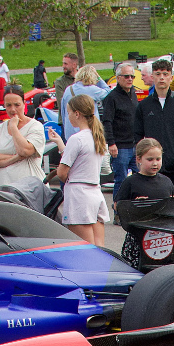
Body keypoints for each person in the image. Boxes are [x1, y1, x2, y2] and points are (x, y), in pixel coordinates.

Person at [52, 92, 108, 246]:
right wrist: (59, 143)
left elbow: (62, 173)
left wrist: (63, 173)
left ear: (77, 114)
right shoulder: (97, 137)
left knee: (85, 247)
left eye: (69, 112)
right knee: (99, 246)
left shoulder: (76, 138)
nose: (68, 116)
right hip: (95, 192)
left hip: (79, 195)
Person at [135, 59, 174, 196]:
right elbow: (137, 134)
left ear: (171, 77)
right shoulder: (144, 105)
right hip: (154, 165)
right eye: (158, 74)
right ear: (152, 76)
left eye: (165, 74)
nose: (162, 78)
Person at [100, 62, 144, 185]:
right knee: (121, 180)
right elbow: (107, 121)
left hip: (134, 144)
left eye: (132, 76)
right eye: (126, 76)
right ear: (118, 78)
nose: (130, 79)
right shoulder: (112, 98)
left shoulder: (133, 94)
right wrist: (111, 143)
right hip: (120, 147)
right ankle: (118, 203)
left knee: (140, 178)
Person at [114, 137, 174, 206]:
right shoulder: (130, 182)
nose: (155, 163)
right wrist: (134, 205)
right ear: (139, 159)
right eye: (150, 159)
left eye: (158, 159)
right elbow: (117, 206)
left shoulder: (166, 181)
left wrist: (173, 202)